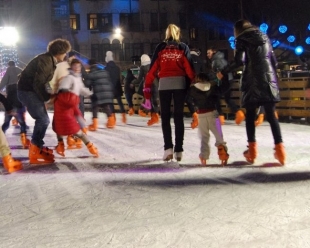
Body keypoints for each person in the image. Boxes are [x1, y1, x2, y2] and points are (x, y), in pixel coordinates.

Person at [218, 19, 286, 165]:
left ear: (237, 30)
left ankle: (252, 151)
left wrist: (224, 71)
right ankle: (280, 150)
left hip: (252, 80)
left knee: (250, 116)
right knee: (272, 115)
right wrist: (274, 78)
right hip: (268, 79)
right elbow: (273, 61)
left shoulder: (241, 39)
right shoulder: (265, 37)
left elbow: (239, 61)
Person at [144, 24, 195, 162]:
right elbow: (189, 69)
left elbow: (152, 69)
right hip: (180, 84)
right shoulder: (183, 47)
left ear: (166, 34)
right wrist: (192, 84)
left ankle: (168, 149)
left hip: (164, 84)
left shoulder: (160, 48)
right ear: (178, 34)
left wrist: (147, 90)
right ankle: (179, 150)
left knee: (165, 117)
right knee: (178, 117)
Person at [17, 38, 71, 164]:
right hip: (27, 92)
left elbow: (43, 81)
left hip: (29, 91)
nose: (65, 55)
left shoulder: (49, 61)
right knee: (43, 119)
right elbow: (38, 82)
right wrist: (46, 98)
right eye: (65, 52)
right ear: (59, 51)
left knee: (43, 119)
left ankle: (37, 147)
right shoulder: (46, 61)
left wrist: (50, 92)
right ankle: (35, 149)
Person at [52, 59, 98, 157]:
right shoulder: (69, 77)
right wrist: (66, 93)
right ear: (71, 67)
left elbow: (81, 89)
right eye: (75, 66)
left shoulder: (77, 78)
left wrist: (90, 94)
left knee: (61, 127)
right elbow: (63, 89)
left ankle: (62, 145)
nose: (77, 68)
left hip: (71, 104)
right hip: (66, 105)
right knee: (71, 128)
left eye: (79, 66)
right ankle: (90, 147)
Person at [187, 72, 229, 165]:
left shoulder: (192, 90)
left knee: (204, 138)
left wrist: (193, 111)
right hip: (214, 115)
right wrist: (223, 79)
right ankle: (222, 154)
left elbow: (188, 99)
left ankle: (204, 156)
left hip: (201, 115)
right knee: (219, 137)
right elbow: (225, 88)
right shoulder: (213, 87)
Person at [206, 47, 242, 125]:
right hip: (229, 80)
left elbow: (220, 74)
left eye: (209, 53)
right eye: (207, 53)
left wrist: (214, 80)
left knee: (213, 96)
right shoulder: (221, 58)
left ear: (213, 52)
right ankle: (238, 113)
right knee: (227, 98)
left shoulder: (216, 60)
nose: (207, 55)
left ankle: (220, 116)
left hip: (224, 81)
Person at [0, 61, 30, 148]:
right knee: (22, 123)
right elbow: (26, 78)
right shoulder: (20, 70)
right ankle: (24, 141)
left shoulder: (9, 70)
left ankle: (0, 139)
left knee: (6, 123)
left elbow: (4, 80)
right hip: (19, 100)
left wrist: (0, 87)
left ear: (9, 65)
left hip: (10, 102)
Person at [85, 59, 115, 130]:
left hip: (98, 93)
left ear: (89, 65)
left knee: (95, 107)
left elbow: (87, 84)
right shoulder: (104, 71)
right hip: (107, 92)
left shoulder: (91, 73)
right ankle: (111, 122)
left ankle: (94, 125)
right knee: (106, 106)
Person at [105, 51, 127, 124]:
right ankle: (124, 116)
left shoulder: (106, 69)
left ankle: (113, 118)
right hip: (117, 87)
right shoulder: (117, 68)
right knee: (120, 101)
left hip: (109, 88)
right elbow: (119, 78)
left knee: (110, 103)